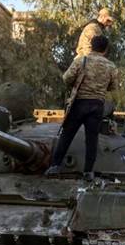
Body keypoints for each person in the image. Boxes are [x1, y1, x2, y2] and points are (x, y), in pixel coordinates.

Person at [45, 35, 119, 180]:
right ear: (105, 49)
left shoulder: (81, 61)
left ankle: (55, 166)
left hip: (79, 103)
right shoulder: (111, 66)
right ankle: (88, 172)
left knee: (67, 135)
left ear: (91, 46)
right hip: (97, 105)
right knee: (92, 139)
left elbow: (66, 78)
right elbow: (113, 87)